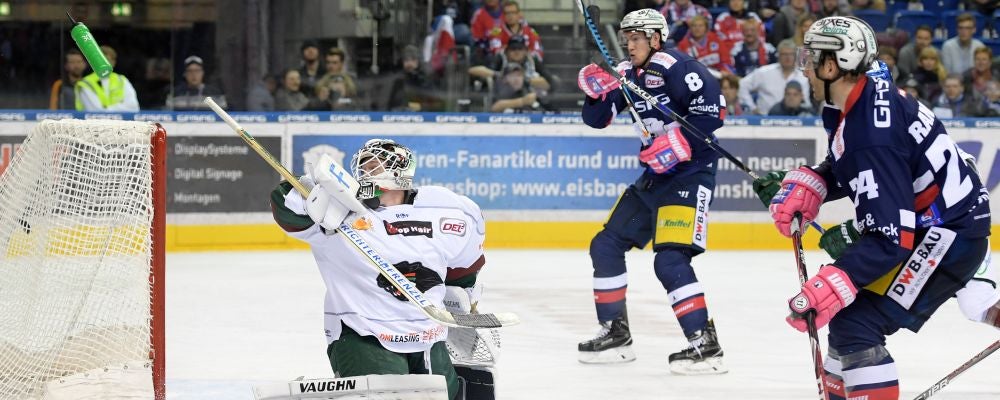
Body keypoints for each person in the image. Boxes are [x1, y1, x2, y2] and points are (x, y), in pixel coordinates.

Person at [760, 16, 990, 399]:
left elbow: (889, 237)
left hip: (948, 234)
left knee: (856, 325)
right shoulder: (864, 91)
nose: (806, 68)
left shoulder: (870, 131)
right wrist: (821, 180)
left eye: (811, 58)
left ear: (832, 66)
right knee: (848, 321)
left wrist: (837, 279)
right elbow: (869, 160)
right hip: (942, 219)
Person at [269, 139, 489, 400]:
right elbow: (283, 203)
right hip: (363, 333)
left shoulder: (446, 209)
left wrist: (462, 307)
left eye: (374, 165)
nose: (366, 173)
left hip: (429, 336)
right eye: (362, 167)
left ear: (401, 169)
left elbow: (463, 269)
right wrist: (312, 196)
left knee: (447, 394)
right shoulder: (337, 211)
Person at [576, 8, 726, 375]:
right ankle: (616, 332)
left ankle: (705, 345)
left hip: (690, 176)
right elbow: (596, 121)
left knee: (670, 260)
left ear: (656, 38)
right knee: (605, 244)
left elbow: (713, 112)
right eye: (626, 38)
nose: (629, 44)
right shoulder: (626, 74)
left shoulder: (678, 66)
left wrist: (678, 141)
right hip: (655, 179)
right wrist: (595, 94)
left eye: (636, 37)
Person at [738, 39, 811, 115]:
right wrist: (753, 108)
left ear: (796, 56)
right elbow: (742, 85)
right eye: (784, 54)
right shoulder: (764, 72)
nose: (788, 57)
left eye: (791, 54)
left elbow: (805, 102)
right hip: (764, 120)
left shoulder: (802, 77)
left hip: (794, 121)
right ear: (778, 56)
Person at [74, 45, 139, 112]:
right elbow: (96, 111)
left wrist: (106, 109)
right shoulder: (86, 83)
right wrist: (120, 108)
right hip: (94, 122)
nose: (104, 64)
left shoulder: (121, 80)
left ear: (114, 62)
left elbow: (134, 107)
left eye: (108, 60)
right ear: (94, 62)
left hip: (121, 122)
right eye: (102, 60)